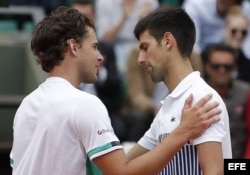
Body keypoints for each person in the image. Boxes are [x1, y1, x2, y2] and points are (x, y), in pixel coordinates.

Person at [10, 6, 221, 175]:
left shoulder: (27, 104)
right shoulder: (84, 104)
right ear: (74, 47)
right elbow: (122, 172)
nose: (100, 56)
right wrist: (183, 132)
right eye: (94, 47)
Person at [127, 6, 232, 175]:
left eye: (145, 47)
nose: (140, 59)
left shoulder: (201, 98)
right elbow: (124, 167)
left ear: (168, 41)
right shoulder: (166, 109)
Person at [70, 0, 127, 142]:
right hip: (70, 110)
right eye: (77, 18)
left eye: (86, 18)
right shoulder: (63, 50)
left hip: (104, 109)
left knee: (118, 127)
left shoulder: (106, 50)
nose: (81, 23)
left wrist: (98, 72)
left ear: (94, 18)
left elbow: (115, 88)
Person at [201, 43, 250, 158]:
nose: (222, 71)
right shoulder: (195, 93)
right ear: (206, 67)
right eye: (216, 66)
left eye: (227, 67)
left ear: (235, 68)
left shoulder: (246, 93)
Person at [95, 0, 159, 78]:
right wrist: (124, 19)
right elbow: (104, 40)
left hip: (140, 46)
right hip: (115, 49)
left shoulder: (150, 2)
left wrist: (142, 19)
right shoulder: (105, 2)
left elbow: (154, 37)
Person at [182, 0, 250, 58]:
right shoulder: (195, 5)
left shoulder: (246, 10)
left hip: (235, 59)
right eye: (234, 31)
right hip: (202, 61)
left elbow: (247, 50)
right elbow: (191, 47)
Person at [223, 5, 250, 83]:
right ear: (225, 30)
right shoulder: (209, 57)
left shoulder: (248, 66)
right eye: (234, 31)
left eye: (243, 32)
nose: (239, 36)